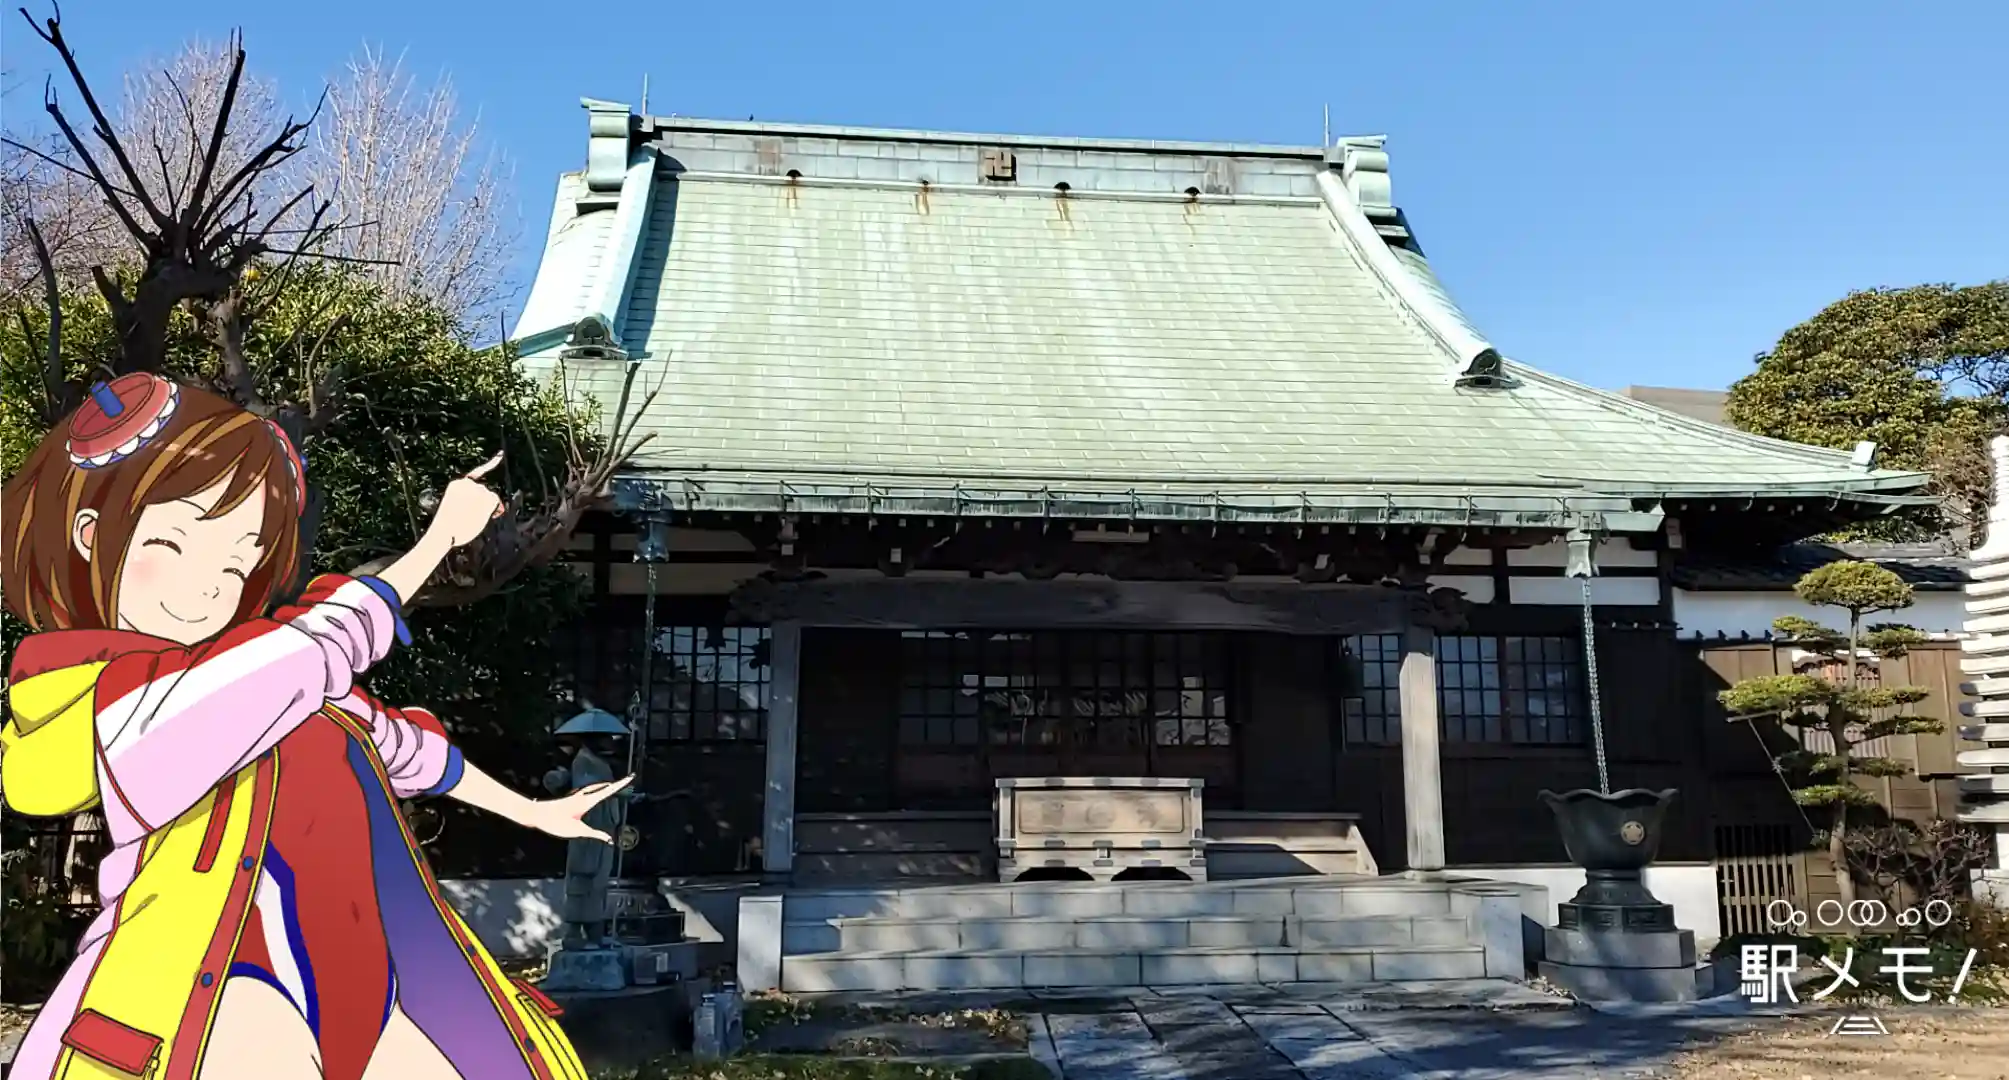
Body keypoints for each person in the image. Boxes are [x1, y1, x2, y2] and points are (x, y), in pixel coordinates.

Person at [1, 374, 623, 1080]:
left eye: (237, 560)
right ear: (90, 537)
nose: (212, 586)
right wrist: (434, 544)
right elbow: (306, 652)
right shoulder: (125, 701)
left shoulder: (267, 675)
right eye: (175, 543)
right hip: (216, 969)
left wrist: (533, 811)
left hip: (356, 968)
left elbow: (397, 744)